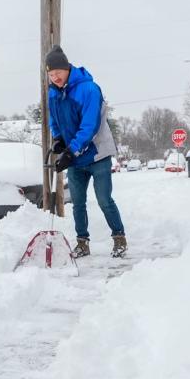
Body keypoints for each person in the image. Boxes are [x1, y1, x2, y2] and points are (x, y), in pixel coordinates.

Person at [45, 45, 128, 258]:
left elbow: (89, 125)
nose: (55, 77)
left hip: (97, 153)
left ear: (67, 69)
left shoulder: (89, 89)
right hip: (76, 157)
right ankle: (82, 243)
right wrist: (58, 140)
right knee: (77, 203)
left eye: (58, 73)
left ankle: (119, 238)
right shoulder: (53, 93)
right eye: (51, 74)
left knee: (104, 200)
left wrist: (71, 151)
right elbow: (54, 120)